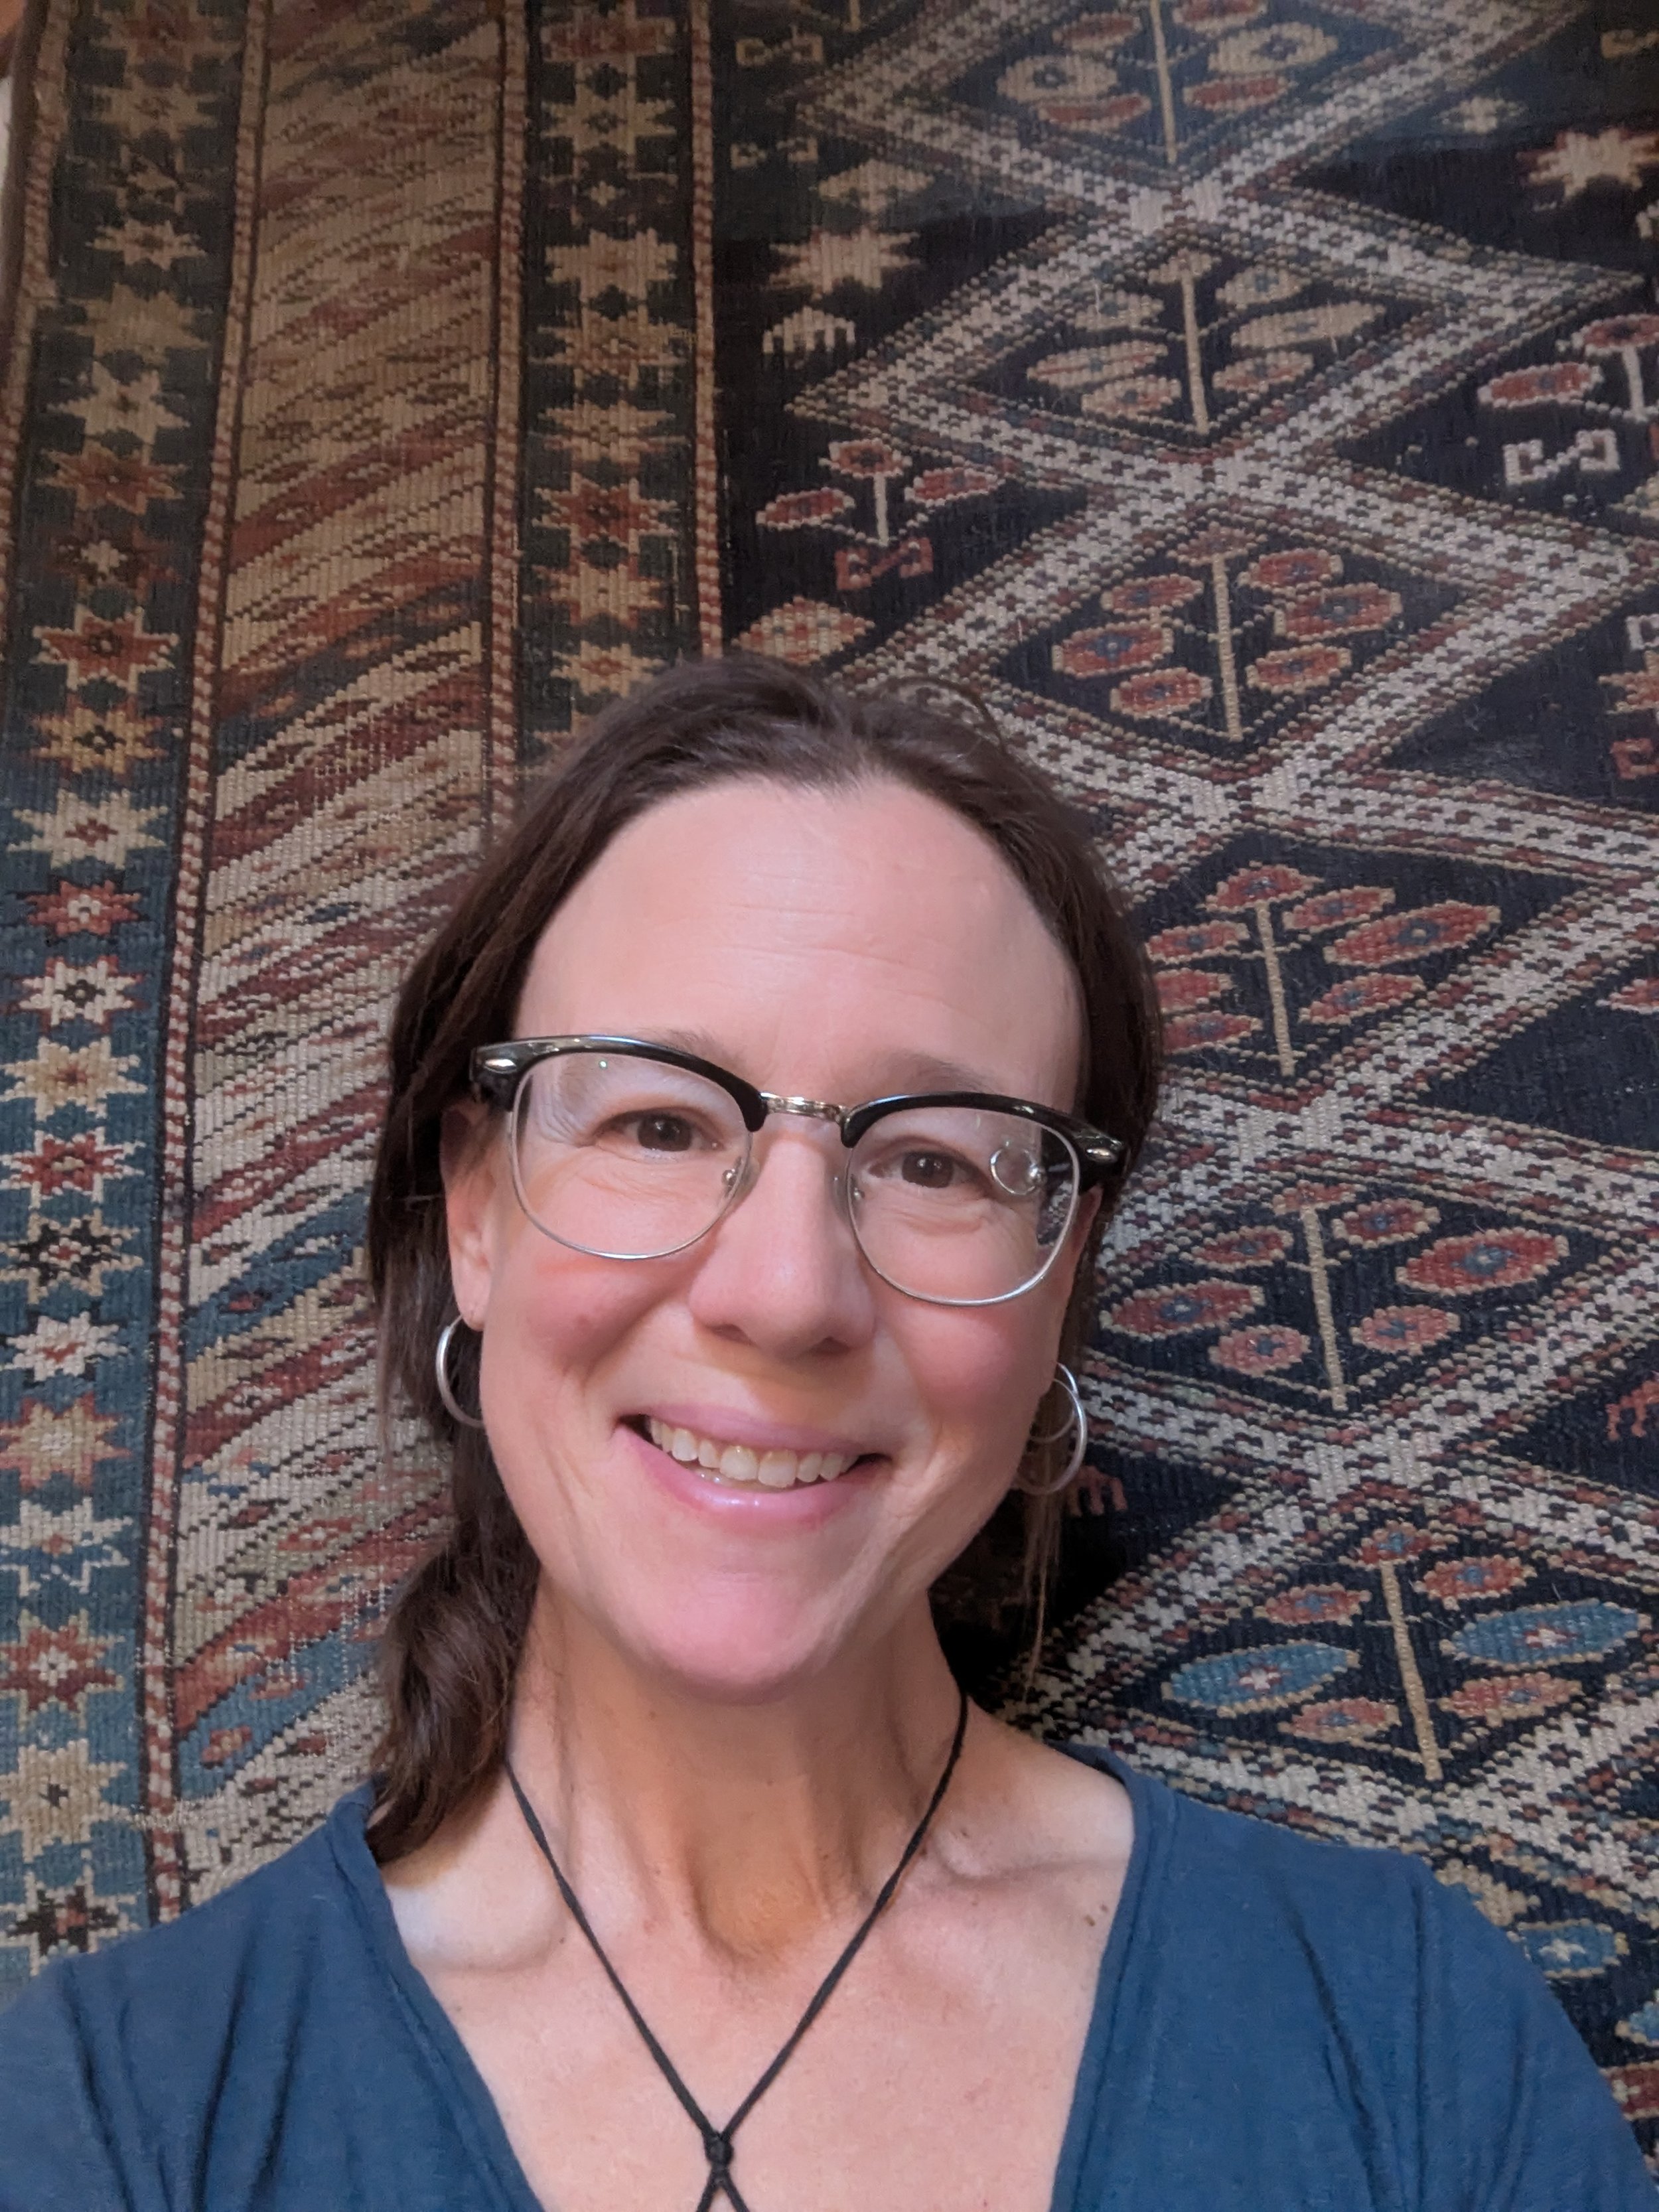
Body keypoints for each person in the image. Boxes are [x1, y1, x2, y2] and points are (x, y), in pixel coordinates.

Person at [0, 657, 1650, 2212]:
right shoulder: (113, 2118)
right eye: (654, 1116)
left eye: (934, 1159)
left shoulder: (1411, 2045)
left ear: (1057, 1280)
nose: (786, 1290)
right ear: (477, 1208)